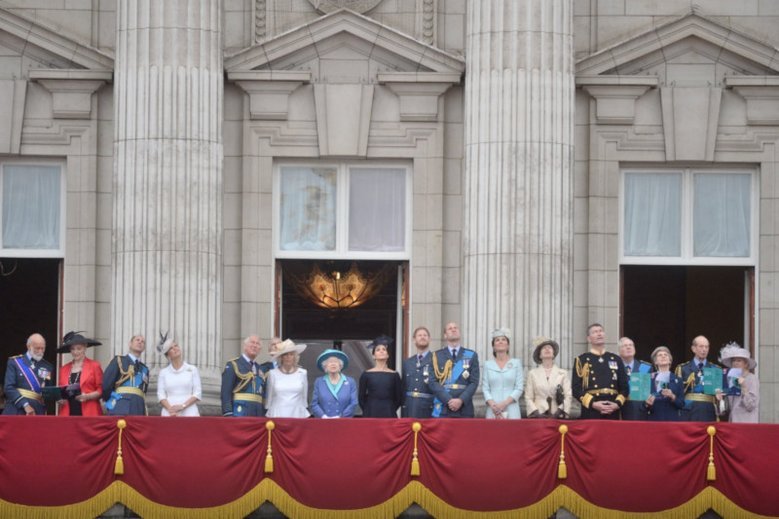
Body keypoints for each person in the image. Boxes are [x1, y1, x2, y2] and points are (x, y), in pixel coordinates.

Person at [572, 323, 629, 420]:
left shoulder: (616, 359)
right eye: (595, 332)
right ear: (589, 339)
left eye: (601, 331)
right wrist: (592, 403)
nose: (599, 334)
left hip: (612, 408)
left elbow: (625, 387)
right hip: (591, 409)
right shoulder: (581, 360)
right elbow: (576, 388)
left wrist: (617, 404)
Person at [429, 322, 480, 418]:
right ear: (445, 335)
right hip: (443, 407)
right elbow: (432, 382)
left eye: (455, 328)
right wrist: (448, 400)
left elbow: (474, 382)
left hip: (465, 407)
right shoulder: (436, 356)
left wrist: (461, 400)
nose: (453, 329)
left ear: (459, 333)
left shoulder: (471, 355)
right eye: (450, 328)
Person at [3, 333, 54, 415]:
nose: (40, 351)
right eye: (37, 348)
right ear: (28, 346)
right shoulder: (15, 362)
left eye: (42, 348)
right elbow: (9, 388)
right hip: (17, 410)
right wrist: (25, 405)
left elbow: (47, 392)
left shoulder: (47, 366)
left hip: (38, 411)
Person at [675, 335, 723, 422]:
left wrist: (719, 397)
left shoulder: (715, 369)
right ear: (693, 349)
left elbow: (719, 398)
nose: (704, 349)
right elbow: (678, 394)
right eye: (701, 346)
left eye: (706, 347)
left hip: (708, 411)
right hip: (688, 412)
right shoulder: (682, 368)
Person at [57, 331, 104, 416]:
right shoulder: (63, 369)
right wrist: (60, 399)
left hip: (89, 412)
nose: (75, 352)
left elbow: (101, 390)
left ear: (85, 347)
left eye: (79, 348)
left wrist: (87, 396)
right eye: (73, 349)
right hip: (68, 413)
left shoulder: (94, 366)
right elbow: (61, 392)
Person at [221, 335, 268, 417]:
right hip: (239, 413)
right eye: (252, 342)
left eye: (258, 344)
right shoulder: (234, 364)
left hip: (257, 415)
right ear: (245, 346)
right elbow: (226, 392)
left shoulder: (260, 369)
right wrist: (228, 413)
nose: (254, 345)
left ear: (260, 350)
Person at [525, 337, 572, 419]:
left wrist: (559, 411)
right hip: (538, 413)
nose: (547, 349)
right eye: (544, 348)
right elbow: (528, 397)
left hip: (557, 414)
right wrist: (536, 412)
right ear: (540, 355)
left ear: (553, 354)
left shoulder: (563, 373)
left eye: (549, 347)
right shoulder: (532, 374)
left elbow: (568, 395)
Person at [102, 334, 149, 416]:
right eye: (137, 340)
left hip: (139, 406)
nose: (140, 342)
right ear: (130, 344)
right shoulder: (119, 360)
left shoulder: (145, 369)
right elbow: (106, 384)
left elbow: (143, 391)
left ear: (144, 348)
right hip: (120, 405)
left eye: (143, 342)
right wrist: (110, 399)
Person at [482, 328, 524, 419]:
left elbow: (519, 387)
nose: (500, 342)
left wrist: (504, 403)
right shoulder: (487, 365)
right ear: (493, 346)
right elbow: (485, 388)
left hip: (511, 407)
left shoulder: (516, 363)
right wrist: (493, 405)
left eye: (503, 339)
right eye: (497, 340)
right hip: (493, 408)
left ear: (508, 345)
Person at [157, 334, 202, 416]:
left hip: (190, 412)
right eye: (171, 348)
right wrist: (171, 409)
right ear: (168, 355)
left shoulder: (192, 369)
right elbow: (161, 395)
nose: (175, 349)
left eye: (176, 346)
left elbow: (197, 393)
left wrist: (183, 406)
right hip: (169, 413)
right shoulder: (163, 372)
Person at [358, 336, 403, 417]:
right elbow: (361, 398)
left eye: (384, 349)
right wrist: (368, 409)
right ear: (373, 356)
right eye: (378, 350)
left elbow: (398, 398)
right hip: (370, 412)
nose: (381, 351)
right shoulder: (366, 374)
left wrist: (391, 408)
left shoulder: (394, 375)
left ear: (387, 355)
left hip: (389, 412)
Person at [265, 339, 310, 418]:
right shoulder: (272, 373)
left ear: (295, 357)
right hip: (277, 414)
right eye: (285, 354)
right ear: (281, 357)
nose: (288, 357)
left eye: (291, 354)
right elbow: (269, 399)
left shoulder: (302, 373)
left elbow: (304, 398)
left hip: (297, 414)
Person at [717, 343, 759, 423]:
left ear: (746, 364)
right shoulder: (730, 380)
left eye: (739, 361)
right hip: (733, 424)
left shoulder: (752, 379)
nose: (735, 363)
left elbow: (751, 406)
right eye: (733, 361)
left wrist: (744, 387)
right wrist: (720, 400)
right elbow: (724, 411)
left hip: (747, 425)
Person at [311, 349, 358, 418]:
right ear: (325, 366)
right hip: (324, 422)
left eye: (336, 361)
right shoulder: (319, 382)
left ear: (340, 365)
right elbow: (314, 404)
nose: (333, 364)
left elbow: (354, 403)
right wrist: (323, 416)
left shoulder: (350, 381)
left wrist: (340, 416)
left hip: (344, 421)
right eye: (330, 362)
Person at [401, 326, 435, 418]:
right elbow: (403, 386)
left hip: (428, 408)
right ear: (414, 340)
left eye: (425, 335)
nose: (422, 337)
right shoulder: (407, 362)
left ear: (429, 339)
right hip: (409, 408)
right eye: (419, 335)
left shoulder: (436, 360)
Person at [643, 346, 684, 421]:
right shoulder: (648, 379)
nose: (663, 356)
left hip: (672, 420)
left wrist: (672, 396)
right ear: (655, 362)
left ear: (670, 361)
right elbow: (642, 405)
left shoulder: (678, 380)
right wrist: (647, 404)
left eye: (666, 355)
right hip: (654, 419)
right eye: (660, 355)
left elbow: (681, 404)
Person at [619, 336, 652, 420]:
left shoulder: (645, 367)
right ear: (619, 351)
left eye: (631, 345)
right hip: (619, 409)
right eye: (625, 346)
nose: (628, 347)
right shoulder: (614, 367)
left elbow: (645, 393)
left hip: (639, 411)